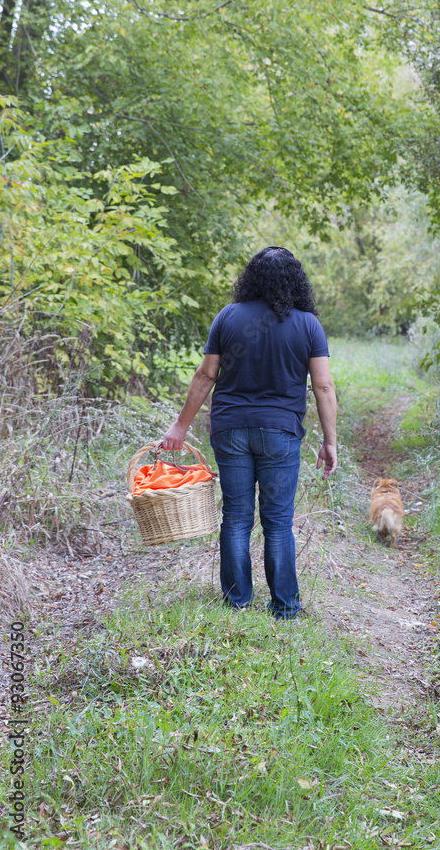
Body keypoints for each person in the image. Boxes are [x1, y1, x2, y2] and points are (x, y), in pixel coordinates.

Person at [161, 246, 337, 619]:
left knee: (237, 516)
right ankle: (285, 607)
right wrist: (329, 440)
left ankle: (237, 602)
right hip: (280, 432)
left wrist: (180, 425)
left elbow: (207, 375)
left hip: (231, 429)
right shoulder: (308, 325)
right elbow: (323, 387)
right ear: (296, 281)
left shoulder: (228, 317)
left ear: (251, 278)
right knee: (277, 520)